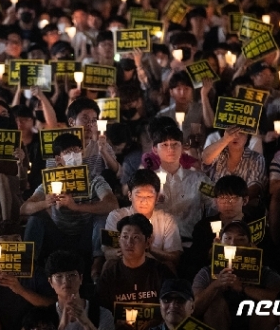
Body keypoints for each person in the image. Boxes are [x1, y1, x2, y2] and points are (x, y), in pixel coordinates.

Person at [22, 133, 118, 281]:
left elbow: (112, 204)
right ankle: (29, 266)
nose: (74, 155)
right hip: (58, 234)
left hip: (85, 236)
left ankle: (96, 263)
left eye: (76, 150)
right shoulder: (50, 182)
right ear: (59, 159)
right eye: (68, 152)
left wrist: (76, 207)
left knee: (103, 216)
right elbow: (24, 208)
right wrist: (45, 203)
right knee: (36, 219)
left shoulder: (94, 179)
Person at [192, 220, 280, 330]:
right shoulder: (206, 273)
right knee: (214, 305)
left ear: (250, 245)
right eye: (227, 238)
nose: (233, 244)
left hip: (253, 321)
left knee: (266, 308)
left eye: (240, 239)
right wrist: (216, 285)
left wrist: (243, 288)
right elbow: (194, 309)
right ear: (219, 243)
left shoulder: (264, 273)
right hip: (220, 321)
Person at [0, 221, 56, 330]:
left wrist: (20, 290)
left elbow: (52, 305)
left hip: (30, 326)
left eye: (16, 241)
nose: (11, 247)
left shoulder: (36, 272)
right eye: (5, 243)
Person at [149, 122, 215, 249]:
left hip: (190, 243)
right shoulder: (148, 180)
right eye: (164, 145)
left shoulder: (198, 180)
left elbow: (217, 202)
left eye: (175, 144)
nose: (171, 149)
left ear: (183, 147)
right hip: (156, 245)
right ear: (155, 150)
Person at [103, 169, 182, 273]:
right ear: (130, 195)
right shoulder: (116, 216)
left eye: (149, 196)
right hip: (124, 267)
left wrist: (148, 249)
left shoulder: (166, 220)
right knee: (109, 264)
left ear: (157, 197)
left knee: (168, 266)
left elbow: (174, 257)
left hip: (154, 270)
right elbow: (107, 252)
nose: (144, 201)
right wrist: (125, 251)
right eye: (139, 196)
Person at [97, 214, 175, 313]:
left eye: (136, 237)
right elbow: (101, 311)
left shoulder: (161, 272)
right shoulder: (109, 275)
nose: (129, 242)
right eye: (125, 237)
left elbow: (172, 308)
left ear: (148, 242)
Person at [46, 250, 115, 330]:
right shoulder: (45, 317)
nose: (66, 281)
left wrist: (87, 323)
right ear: (50, 282)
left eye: (72, 275)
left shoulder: (102, 314)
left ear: (81, 278)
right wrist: (62, 326)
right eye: (59, 276)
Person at [202, 125, 266, 202]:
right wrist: (225, 140)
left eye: (241, 133)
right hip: (215, 205)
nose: (236, 136)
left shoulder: (256, 158)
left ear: (247, 137)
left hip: (242, 208)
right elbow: (206, 159)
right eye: (231, 133)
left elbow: (255, 187)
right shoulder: (218, 153)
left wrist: (233, 202)